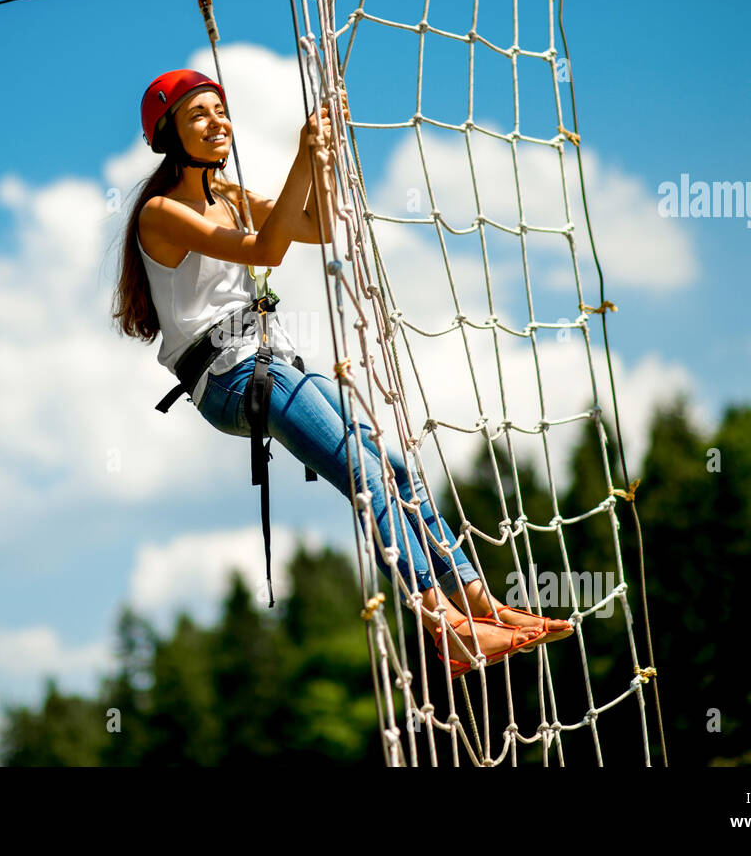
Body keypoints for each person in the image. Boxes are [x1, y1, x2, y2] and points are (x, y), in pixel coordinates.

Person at [111, 69, 573, 677]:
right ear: (167, 133)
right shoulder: (161, 214)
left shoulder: (232, 198)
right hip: (231, 378)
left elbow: (321, 227)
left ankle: (476, 601)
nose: (217, 122)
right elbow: (263, 252)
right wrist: (302, 154)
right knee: (365, 476)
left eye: (221, 110)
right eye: (199, 114)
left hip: (268, 365)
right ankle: (445, 629)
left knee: (395, 469)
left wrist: (320, 161)